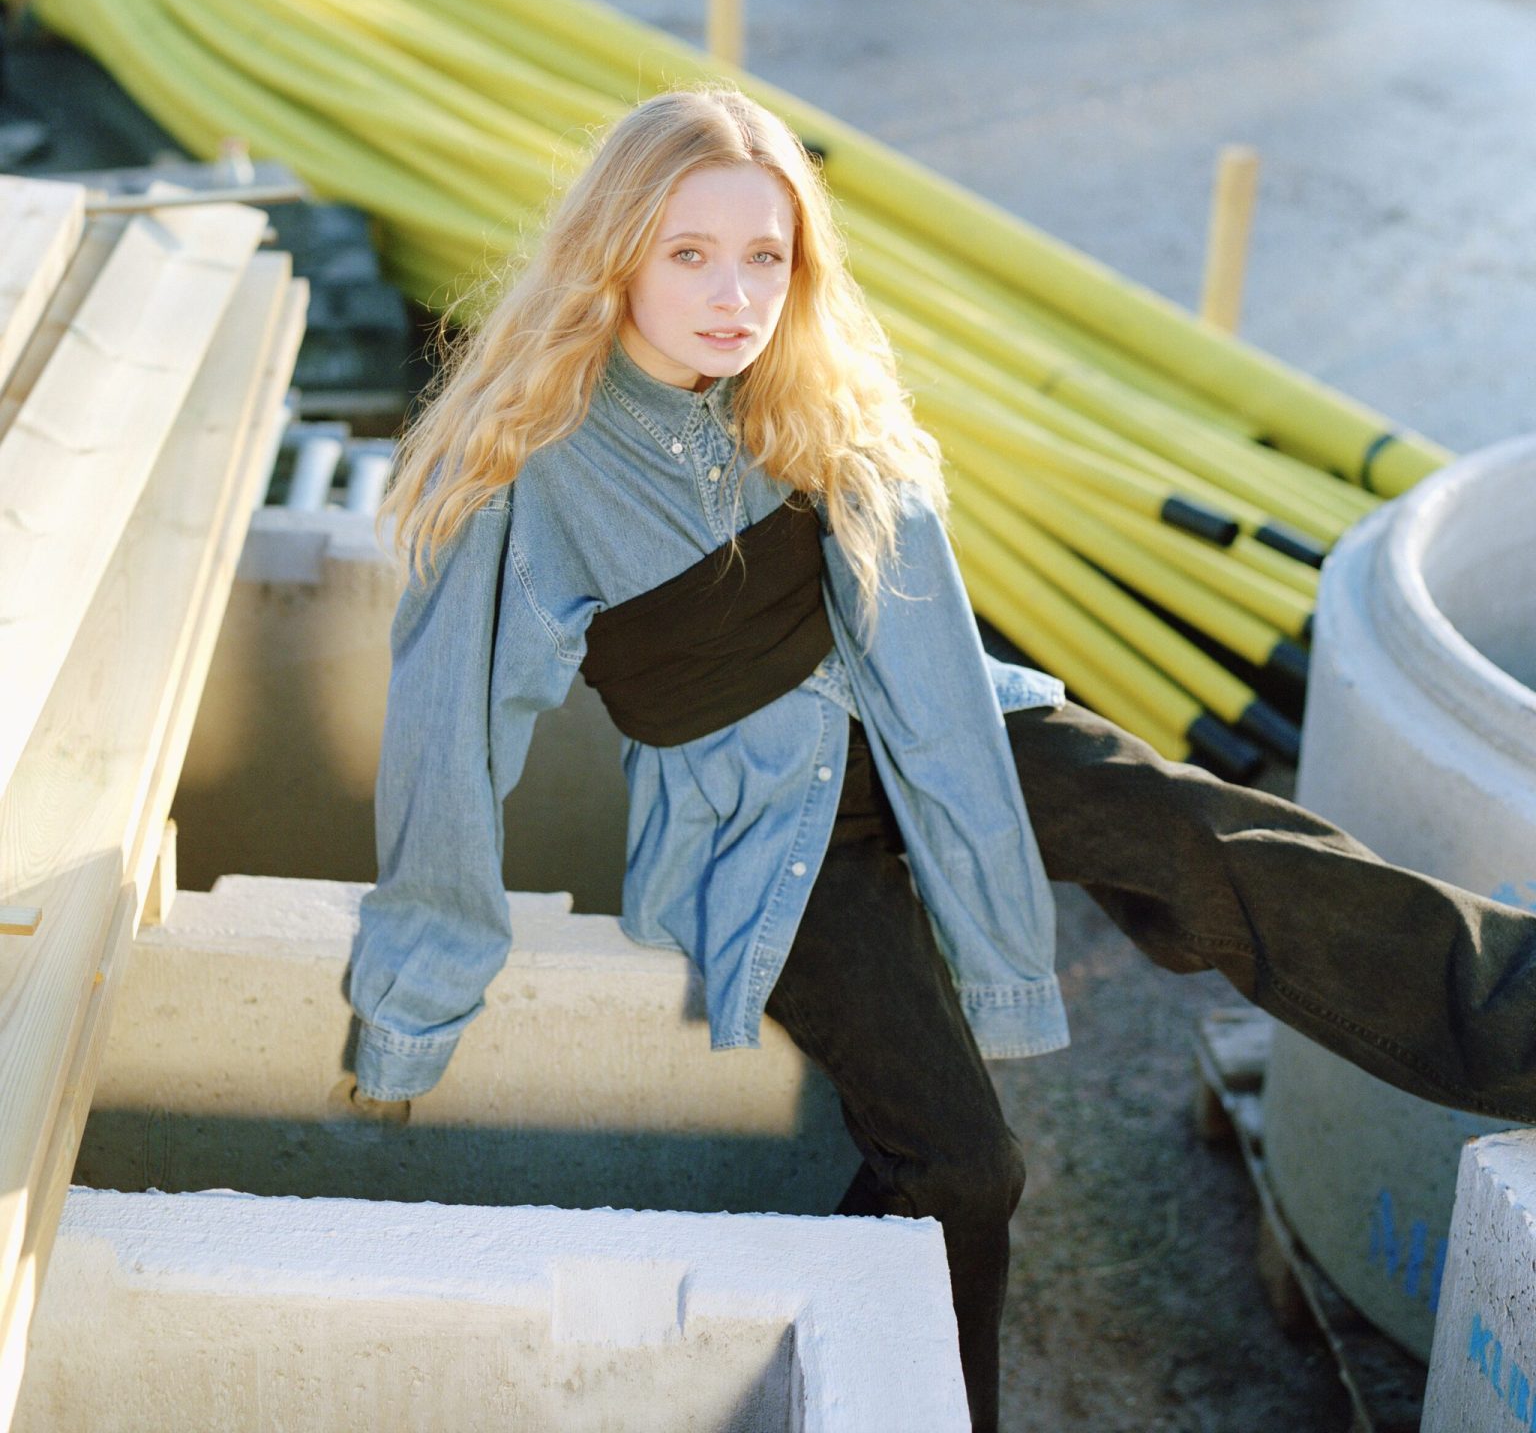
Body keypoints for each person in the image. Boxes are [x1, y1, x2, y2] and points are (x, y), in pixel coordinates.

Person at [346, 86, 1536, 1433]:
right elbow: (449, 746)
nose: (735, 293)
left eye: (766, 255)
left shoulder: (809, 393)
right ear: (614, 250)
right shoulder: (528, 467)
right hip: (765, 826)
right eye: (690, 253)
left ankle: (1522, 1011)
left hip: (943, 729)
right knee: (965, 1168)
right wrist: (411, 1009)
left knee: (1203, 839)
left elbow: (925, 634)